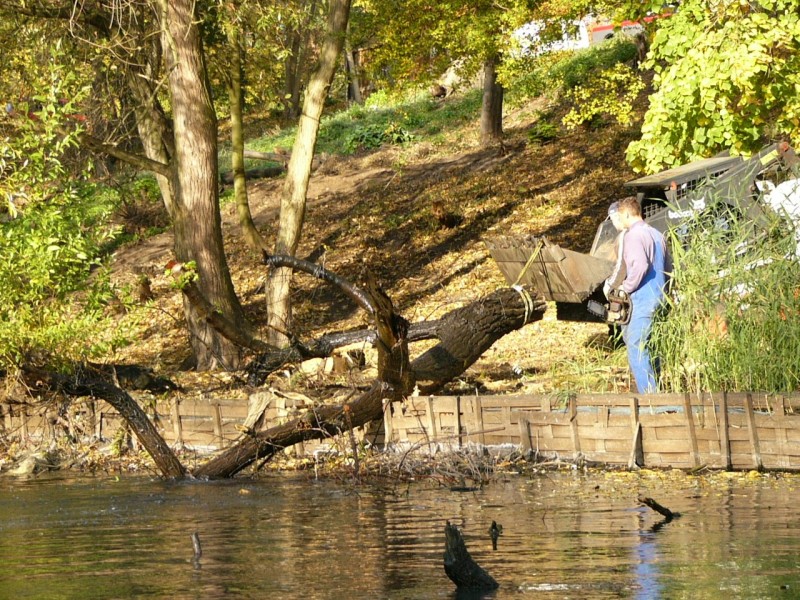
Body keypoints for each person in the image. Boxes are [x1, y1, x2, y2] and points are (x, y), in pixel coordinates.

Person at [603, 196, 671, 393]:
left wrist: (625, 287)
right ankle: (659, 394)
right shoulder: (657, 234)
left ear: (626, 213)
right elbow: (668, 267)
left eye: (619, 217)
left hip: (642, 300)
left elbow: (639, 265)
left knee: (637, 349)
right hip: (660, 297)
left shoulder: (633, 236)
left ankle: (651, 399)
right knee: (653, 347)